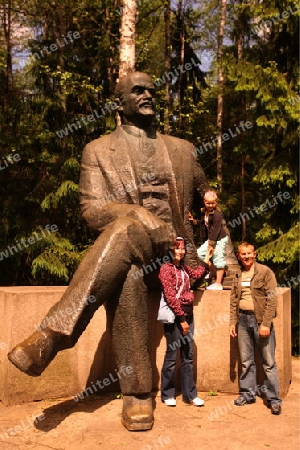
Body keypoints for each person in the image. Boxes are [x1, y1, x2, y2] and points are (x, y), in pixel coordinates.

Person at [8, 71, 211, 431]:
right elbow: (92, 211)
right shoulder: (98, 150)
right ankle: (137, 394)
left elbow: (210, 204)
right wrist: (138, 214)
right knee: (127, 265)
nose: (148, 95)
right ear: (120, 103)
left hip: (178, 260)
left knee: (124, 238)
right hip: (132, 256)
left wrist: (219, 252)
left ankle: (52, 336)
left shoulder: (182, 149)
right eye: (138, 90)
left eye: (151, 89)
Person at [229, 242, 282, 415]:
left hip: (260, 321)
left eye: (249, 253)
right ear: (238, 255)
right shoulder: (237, 273)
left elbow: (272, 299)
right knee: (246, 361)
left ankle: (274, 399)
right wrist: (232, 321)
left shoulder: (265, 272)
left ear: (255, 254)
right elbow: (233, 299)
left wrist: (266, 323)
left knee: (268, 363)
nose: (246, 257)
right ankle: (247, 394)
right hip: (243, 320)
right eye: (243, 254)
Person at [159, 237, 212, 407]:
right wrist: (181, 319)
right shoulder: (166, 269)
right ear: (170, 250)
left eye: (182, 248)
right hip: (176, 318)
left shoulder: (182, 267)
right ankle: (167, 394)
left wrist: (207, 260)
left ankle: (190, 395)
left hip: (189, 315)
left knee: (187, 356)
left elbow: (197, 274)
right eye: (177, 248)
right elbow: (170, 296)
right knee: (172, 356)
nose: (181, 251)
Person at [188, 190, 228, 290]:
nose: (210, 205)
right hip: (211, 239)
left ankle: (218, 283)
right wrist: (193, 221)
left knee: (218, 258)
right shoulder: (204, 212)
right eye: (208, 203)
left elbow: (216, 230)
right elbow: (202, 222)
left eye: (213, 203)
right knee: (199, 254)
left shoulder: (217, 215)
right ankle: (213, 271)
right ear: (204, 201)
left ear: (216, 202)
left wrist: (211, 244)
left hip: (219, 239)